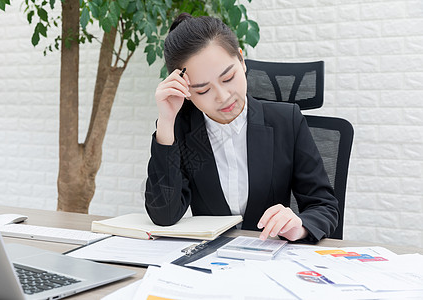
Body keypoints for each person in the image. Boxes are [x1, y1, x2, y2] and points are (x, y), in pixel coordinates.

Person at [145, 13, 339, 243]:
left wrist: (300, 226)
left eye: (228, 77)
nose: (223, 97)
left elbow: (324, 206)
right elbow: (163, 214)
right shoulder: (182, 130)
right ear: (185, 92)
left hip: (272, 258)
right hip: (211, 262)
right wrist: (166, 123)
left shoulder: (287, 121)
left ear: (241, 60)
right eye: (203, 90)